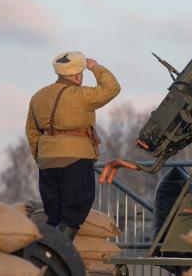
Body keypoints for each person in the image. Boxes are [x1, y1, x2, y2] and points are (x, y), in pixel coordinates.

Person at [25, 51, 121, 240]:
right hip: (75, 158)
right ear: (78, 75)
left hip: (47, 161)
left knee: (54, 215)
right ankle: (58, 254)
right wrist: (96, 68)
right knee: (74, 210)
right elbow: (112, 88)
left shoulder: (38, 97)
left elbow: (31, 131)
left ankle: (46, 257)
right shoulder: (81, 94)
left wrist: (40, 157)